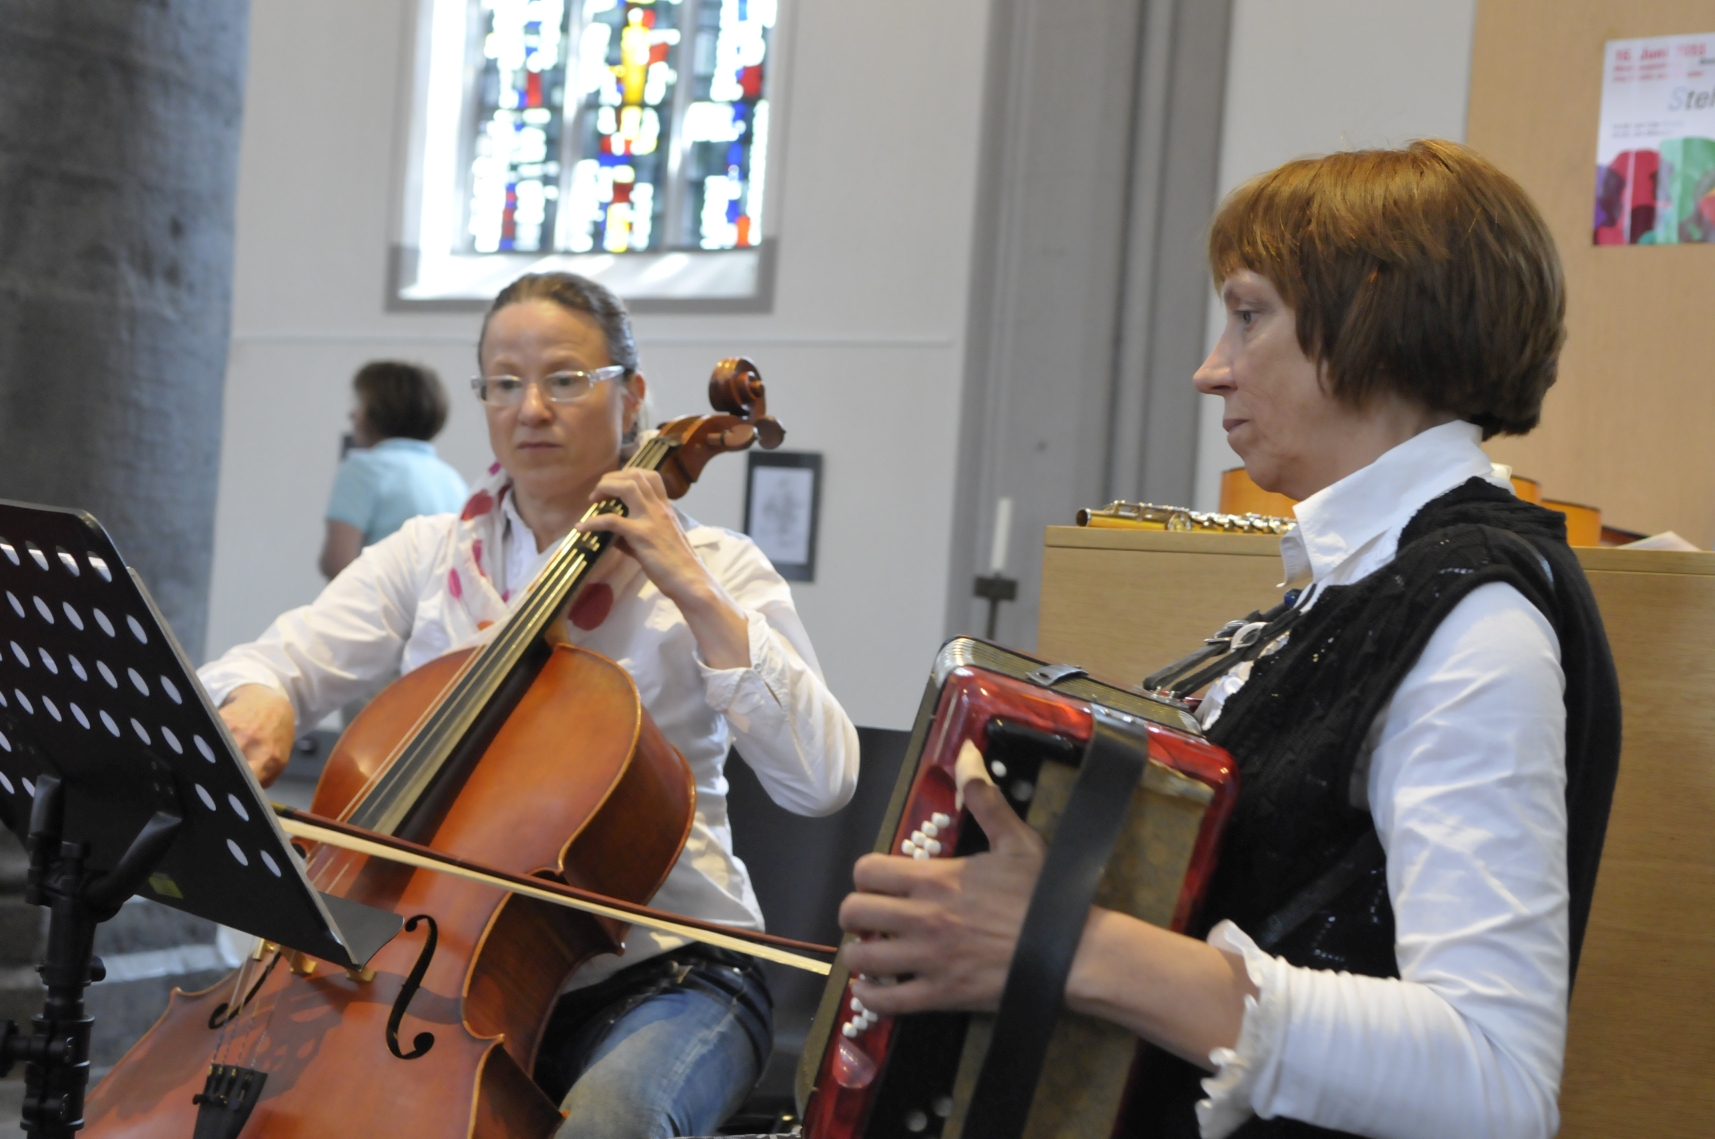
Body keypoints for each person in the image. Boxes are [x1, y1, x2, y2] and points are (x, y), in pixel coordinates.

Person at [838, 140, 1620, 1139]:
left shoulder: (1474, 618)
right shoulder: (1355, 581)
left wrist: (1059, 938)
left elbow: (1492, 1078)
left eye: (1248, 315)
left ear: (1372, 317)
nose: (1210, 369)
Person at [200, 272, 860, 1137]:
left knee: (607, 1127)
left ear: (633, 395)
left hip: (668, 978)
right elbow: (263, 663)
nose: (531, 408)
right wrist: (263, 695)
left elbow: (824, 780)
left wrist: (691, 587)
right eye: (504, 383)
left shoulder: (718, 569)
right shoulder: (432, 554)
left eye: (565, 378)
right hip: (441, 972)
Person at [318, 360, 468, 578]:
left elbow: (337, 562)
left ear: (379, 411)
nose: (353, 415)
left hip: (382, 608)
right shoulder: (453, 480)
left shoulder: (361, 470)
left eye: (359, 404)